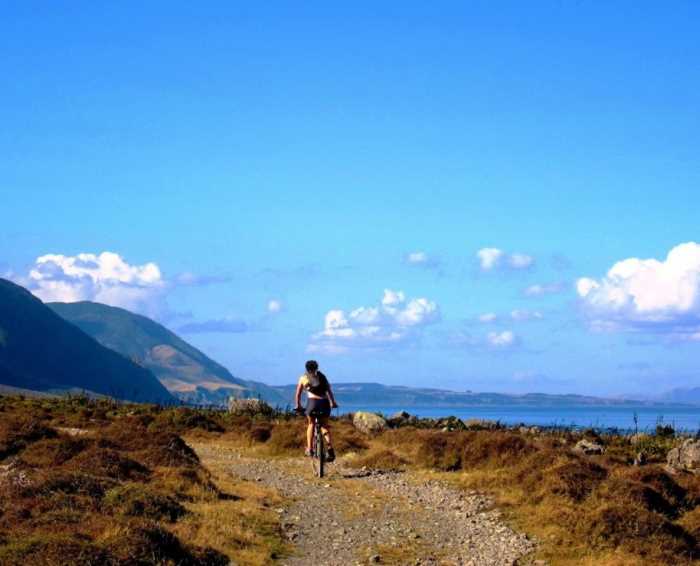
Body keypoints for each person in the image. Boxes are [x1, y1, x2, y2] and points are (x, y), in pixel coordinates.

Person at [295, 360, 338, 462]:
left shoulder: (303, 378)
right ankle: (330, 448)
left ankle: (310, 449)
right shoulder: (322, 377)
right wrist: (333, 403)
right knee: (324, 426)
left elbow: (298, 395)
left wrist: (298, 406)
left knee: (311, 424)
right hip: (324, 403)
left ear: (306, 368)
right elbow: (329, 391)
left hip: (312, 404)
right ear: (317, 368)